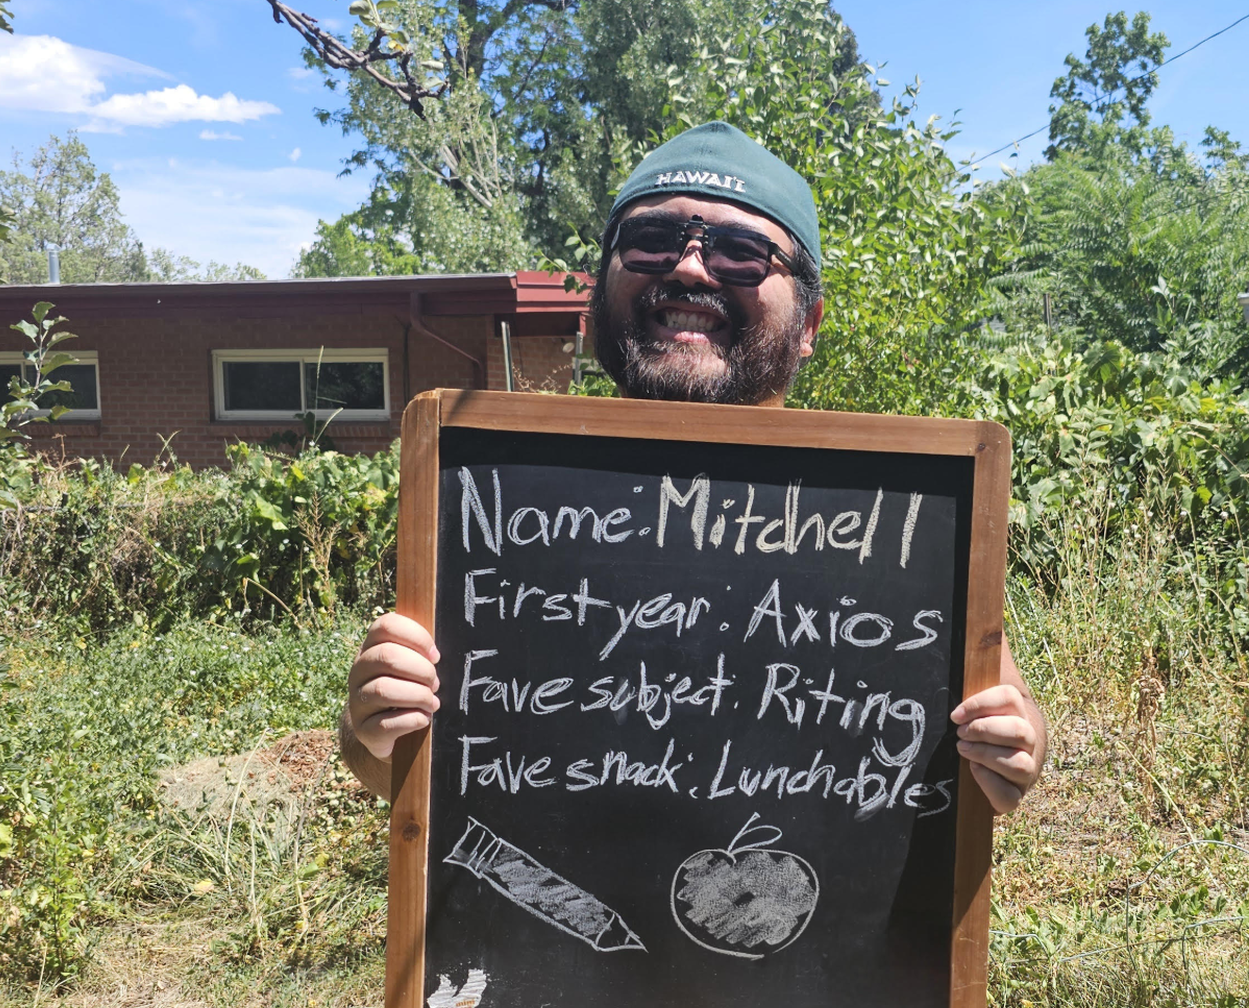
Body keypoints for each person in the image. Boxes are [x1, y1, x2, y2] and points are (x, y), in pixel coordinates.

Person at [340, 121, 1047, 813]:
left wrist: (1015, 746)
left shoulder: (888, 510)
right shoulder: (493, 490)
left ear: (808, 323)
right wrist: (372, 730)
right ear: (596, 295)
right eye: (651, 240)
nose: (688, 267)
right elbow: (408, 770)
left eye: (741, 251)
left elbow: (996, 711)